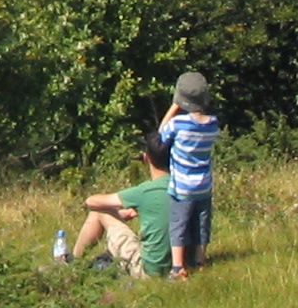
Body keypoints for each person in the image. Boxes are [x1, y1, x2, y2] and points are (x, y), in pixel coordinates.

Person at [69, 132, 173, 278]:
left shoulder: (146, 191)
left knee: (99, 211)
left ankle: (73, 265)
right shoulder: (183, 187)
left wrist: (118, 212)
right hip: (179, 265)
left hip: (149, 270)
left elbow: (92, 201)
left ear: (146, 158)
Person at [159, 70, 220, 277]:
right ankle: (200, 260)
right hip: (204, 185)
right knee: (202, 224)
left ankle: (178, 267)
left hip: (182, 186)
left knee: (179, 225)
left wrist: (175, 106)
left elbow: (161, 133)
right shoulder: (212, 124)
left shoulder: (178, 123)